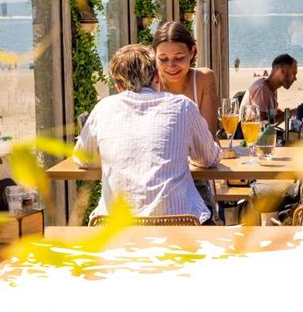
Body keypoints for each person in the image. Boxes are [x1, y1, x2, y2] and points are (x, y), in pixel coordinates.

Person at [73, 44, 221, 224]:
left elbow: (82, 157)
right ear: (157, 77)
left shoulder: (103, 108)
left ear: (118, 86)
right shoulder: (183, 106)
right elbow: (208, 158)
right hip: (179, 225)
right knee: (204, 199)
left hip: (115, 228)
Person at [152, 21, 218, 135]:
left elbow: (208, 136)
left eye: (179, 58)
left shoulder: (203, 79)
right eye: (163, 59)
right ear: (155, 55)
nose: (171, 66)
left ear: (192, 52)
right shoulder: (148, 81)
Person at [241, 53, 298, 121]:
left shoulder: (272, 90)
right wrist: (289, 113)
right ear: (283, 71)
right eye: (294, 74)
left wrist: (286, 113)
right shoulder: (261, 89)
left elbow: (271, 120)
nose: (295, 79)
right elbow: (261, 123)